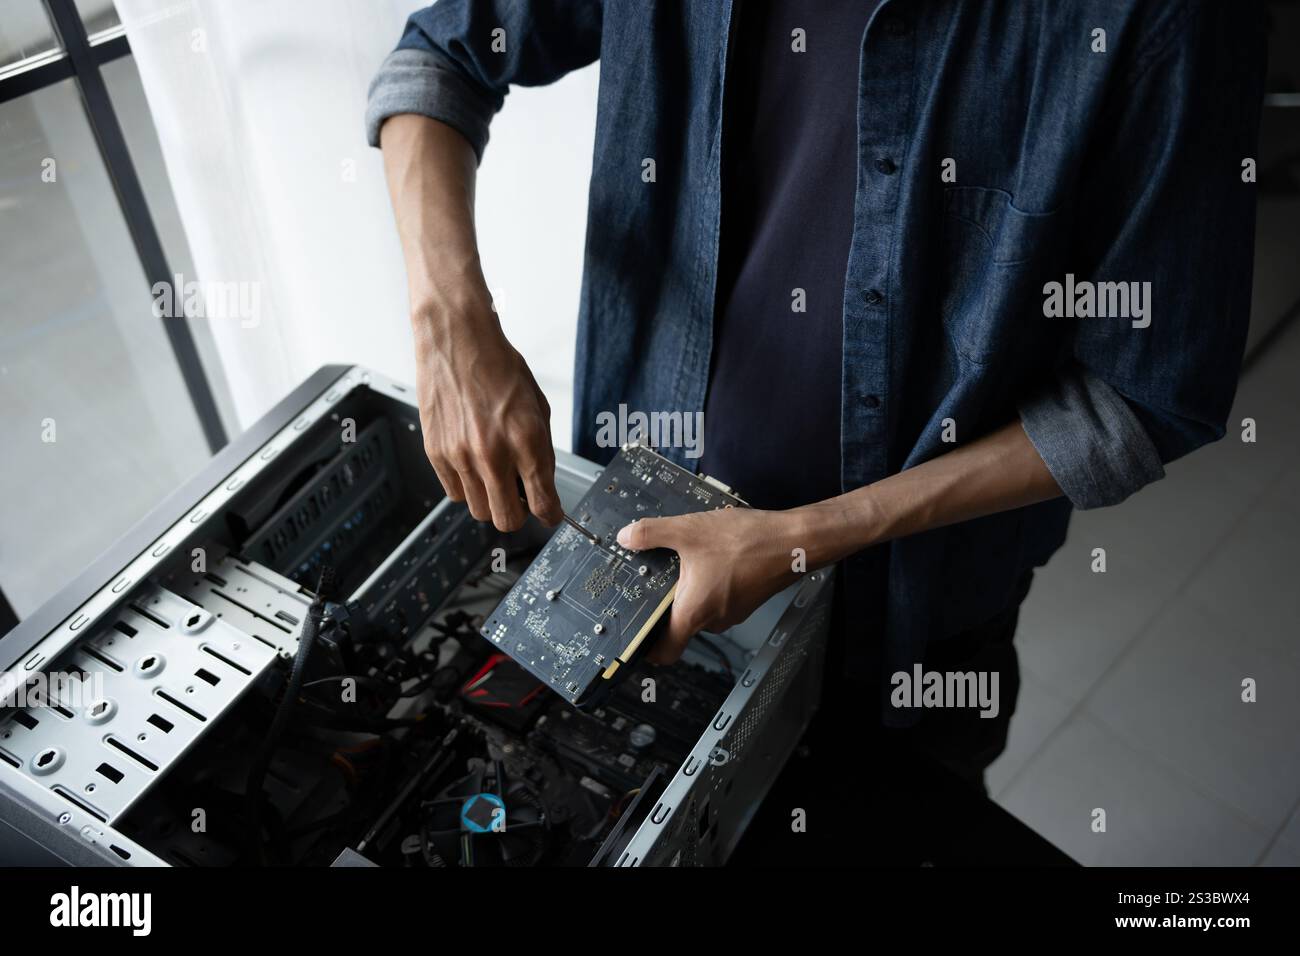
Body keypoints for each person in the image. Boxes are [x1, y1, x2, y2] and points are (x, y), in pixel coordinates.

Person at [366, 1, 1266, 799]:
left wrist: (804, 539)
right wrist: (452, 323)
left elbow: (1142, 397)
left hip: (909, 629)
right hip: (630, 561)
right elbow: (436, 60)